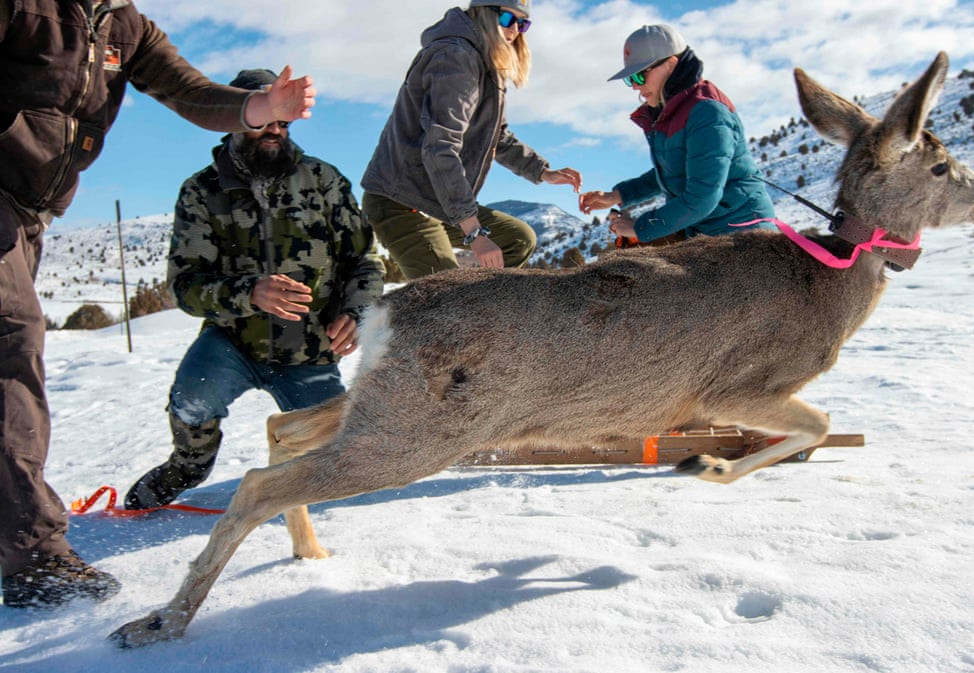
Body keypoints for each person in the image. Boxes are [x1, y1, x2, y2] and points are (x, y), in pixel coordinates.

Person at [0, 2, 314, 609]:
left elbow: (187, 89)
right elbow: (188, 282)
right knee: (12, 341)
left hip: (29, 209)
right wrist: (245, 292)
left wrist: (259, 106)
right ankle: (31, 554)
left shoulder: (125, 24)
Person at [123, 68, 384, 515]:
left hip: (309, 350)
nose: (275, 132)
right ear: (235, 120)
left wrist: (356, 312)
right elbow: (186, 286)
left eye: (283, 123)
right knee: (192, 399)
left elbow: (364, 260)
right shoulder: (201, 192)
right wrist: (249, 292)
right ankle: (188, 466)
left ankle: (288, 482)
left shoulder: (323, 181)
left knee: (338, 458)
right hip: (231, 343)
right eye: (266, 121)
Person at [360, 0, 583, 280]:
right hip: (400, 200)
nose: (515, 29)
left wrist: (542, 172)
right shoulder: (456, 56)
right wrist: (474, 232)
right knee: (446, 298)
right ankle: (453, 313)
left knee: (519, 239)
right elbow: (440, 147)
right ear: (484, 13)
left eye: (523, 23)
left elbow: (497, 137)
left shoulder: (486, 63)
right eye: (506, 19)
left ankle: (477, 310)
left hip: (435, 200)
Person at [579, 24, 775, 242]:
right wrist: (616, 196)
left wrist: (640, 228)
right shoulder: (669, 111)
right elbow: (673, 172)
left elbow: (702, 197)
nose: (635, 86)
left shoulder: (707, 112)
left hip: (743, 235)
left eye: (639, 76)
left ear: (671, 65)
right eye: (630, 79)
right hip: (706, 234)